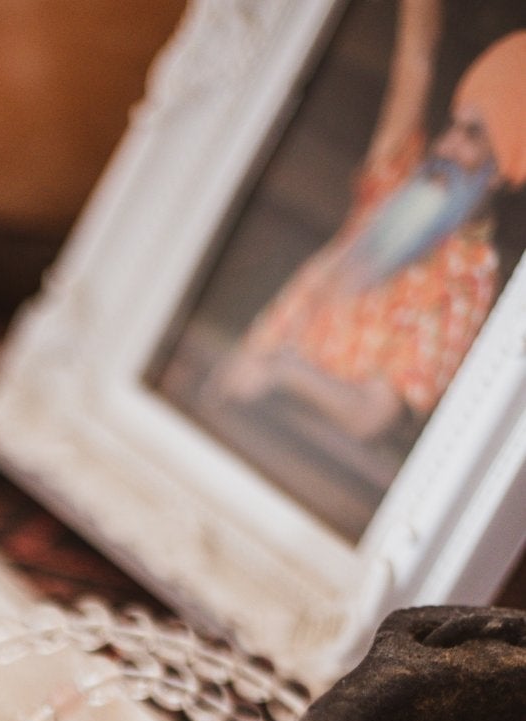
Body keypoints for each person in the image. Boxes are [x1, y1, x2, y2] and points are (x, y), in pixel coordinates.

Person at [218, 1, 526, 441]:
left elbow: (370, 417)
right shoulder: (400, 186)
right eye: (454, 126)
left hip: (291, 440)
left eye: (473, 135)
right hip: (232, 392)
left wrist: (283, 370)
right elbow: (413, 66)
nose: (447, 146)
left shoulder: (468, 278)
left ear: (499, 172)